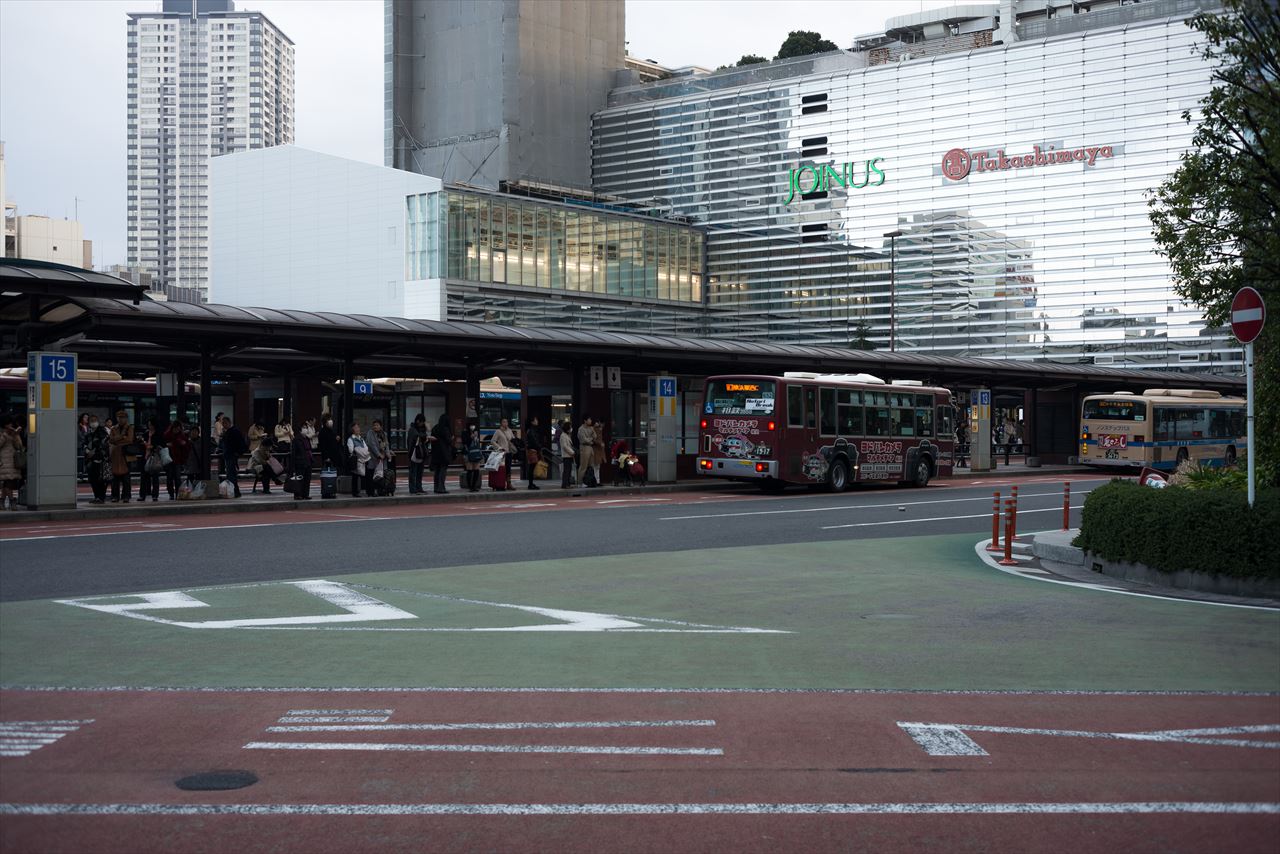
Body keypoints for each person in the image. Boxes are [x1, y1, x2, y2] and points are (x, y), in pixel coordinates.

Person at [108, 409, 137, 503]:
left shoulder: (130, 428)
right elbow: (111, 440)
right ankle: (115, 496)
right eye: (119, 417)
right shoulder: (113, 428)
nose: (120, 419)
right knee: (114, 477)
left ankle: (126, 496)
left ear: (126, 418)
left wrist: (118, 441)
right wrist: (122, 437)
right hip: (115, 455)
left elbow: (129, 440)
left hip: (126, 456)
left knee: (126, 478)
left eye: (123, 417)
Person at [0, 415, 24, 511]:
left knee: (8, 484)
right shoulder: (2, 433)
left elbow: (19, 446)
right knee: (7, 483)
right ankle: (11, 501)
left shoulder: (14, 433)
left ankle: (2, 502)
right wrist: (5, 435)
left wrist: (15, 435)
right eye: (8, 423)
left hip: (13, 462)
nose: (10, 425)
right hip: (3, 462)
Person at [220, 415, 248, 497]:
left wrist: (237, 452)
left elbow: (239, 444)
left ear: (229, 422)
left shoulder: (233, 431)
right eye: (223, 423)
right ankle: (235, 491)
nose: (224, 425)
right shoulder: (229, 431)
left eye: (225, 423)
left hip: (231, 455)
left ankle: (234, 491)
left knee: (231, 474)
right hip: (230, 454)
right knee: (231, 474)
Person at [138, 417, 164, 502]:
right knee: (144, 477)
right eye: (149, 425)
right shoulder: (146, 434)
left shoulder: (158, 434)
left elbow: (161, 444)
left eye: (151, 425)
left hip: (154, 456)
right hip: (145, 456)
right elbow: (141, 445)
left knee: (155, 477)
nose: (150, 426)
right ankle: (142, 495)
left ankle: (155, 495)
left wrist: (154, 446)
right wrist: (142, 443)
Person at [85, 419, 110, 504]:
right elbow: (84, 443)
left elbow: (104, 444)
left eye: (94, 421)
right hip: (91, 459)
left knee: (101, 479)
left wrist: (94, 451)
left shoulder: (101, 431)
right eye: (91, 421)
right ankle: (96, 497)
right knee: (93, 479)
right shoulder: (89, 433)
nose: (93, 423)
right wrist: (87, 450)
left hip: (100, 459)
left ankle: (101, 497)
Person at [164, 418, 191, 498]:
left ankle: (177, 493)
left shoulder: (181, 436)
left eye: (178, 429)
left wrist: (184, 444)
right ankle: (171, 493)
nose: (177, 430)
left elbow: (187, 446)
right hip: (169, 459)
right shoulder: (167, 435)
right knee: (170, 478)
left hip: (177, 459)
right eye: (176, 428)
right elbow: (162, 444)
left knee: (177, 477)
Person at [429, 413, 453, 494]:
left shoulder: (435, 428)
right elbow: (449, 441)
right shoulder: (445, 429)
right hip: (444, 453)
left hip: (436, 453)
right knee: (443, 471)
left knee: (437, 471)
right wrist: (451, 438)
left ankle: (436, 487)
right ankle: (441, 488)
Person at [346, 422, 373, 497]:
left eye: (358, 427)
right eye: (356, 427)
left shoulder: (361, 438)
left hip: (364, 459)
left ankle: (369, 492)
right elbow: (351, 450)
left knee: (367, 476)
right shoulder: (350, 439)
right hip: (356, 460)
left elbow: (366, 448)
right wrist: (360, 450)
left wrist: (360, 450)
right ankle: (355, 492)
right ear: (352, 430)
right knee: (355, 476)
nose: (358, 429)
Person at [290, 419, 315, 500]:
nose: (305, 429)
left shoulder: (307, 439)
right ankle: (298, 494)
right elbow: (293, 453)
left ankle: (305, 494)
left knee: (307, 479)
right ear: (300, 429)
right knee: (300, 479)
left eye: (306, 427)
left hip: (308, 461)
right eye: (304, 427)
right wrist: (293, 466)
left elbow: (309, 449)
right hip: (300, 462)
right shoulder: (296, 439)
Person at [491, 417, 517, 491]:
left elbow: (512, 439)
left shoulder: (509, 430)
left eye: (506, 422)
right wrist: (499, 447)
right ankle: (501, 484)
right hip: (501, 454)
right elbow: (492, 441)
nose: (505, 423)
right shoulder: (498, 431)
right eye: (504, 422)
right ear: (501, 423)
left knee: (508, 469)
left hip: (509, 452)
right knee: (501, 469)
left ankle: (509, 484)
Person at [406, 414, 428, 494]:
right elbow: (414, 438)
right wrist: (424, 436)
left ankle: (419, 487)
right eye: (422, 422)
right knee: (413, 472)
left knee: (419, 472)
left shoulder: (421, 429)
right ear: (418, 421)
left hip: (421, 453)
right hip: (414, 453)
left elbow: (423, 439)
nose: (422, 424)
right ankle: (413, 488)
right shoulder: (413, 429)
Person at [368, 419, 390, 493]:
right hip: (373, 458)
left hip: (383, 459)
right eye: (374, 425)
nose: (375, 427)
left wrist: (388, 454)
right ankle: (371, 491)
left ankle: (381, 491)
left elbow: (386, 445)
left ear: (381, 426)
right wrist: (379, 454)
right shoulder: (370, 433)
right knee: (372, 475)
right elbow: (372, 445)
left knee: (381, 475)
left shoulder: (384, 434)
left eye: (377, 425)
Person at [460, 418, 482, 492]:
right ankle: (470, 486)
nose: (472, 427)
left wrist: (476, 437)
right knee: (469, 469)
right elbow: (464, 442)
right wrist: (471, 437)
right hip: (468, 453)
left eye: (474, 425)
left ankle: (474, 486)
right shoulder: (464, 432)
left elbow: (477, 443)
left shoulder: (475, 432)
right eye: (471, 425)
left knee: (476, 470)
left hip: (475, 452)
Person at [524, 416, 545, 490]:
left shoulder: (530, 430)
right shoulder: (531, 430)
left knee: (532, 468)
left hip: (532, 450)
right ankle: (530, 484)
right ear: (532, 422)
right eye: (536, 420)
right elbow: (534, 441)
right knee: (532, 468)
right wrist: (540, 446)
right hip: (532, 451)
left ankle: (531, 483)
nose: (537, 421)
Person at [576, 416, 597, 487]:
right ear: (585, 420)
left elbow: (595, 436)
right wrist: (590, 439)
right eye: (589, 419)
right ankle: (580, 482)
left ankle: (588, 481)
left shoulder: (591, 428)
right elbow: (584, 440)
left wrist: (590, 438)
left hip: (590, 448)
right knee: (583, 466)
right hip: (584, 447)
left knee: (591, 466)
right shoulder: (581, 429)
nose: (590, 421)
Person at [559, 418, 576, 489]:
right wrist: (572, 452)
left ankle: (567, 484)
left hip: (569, 455)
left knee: (568, 470)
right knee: (566, 470)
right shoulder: (563, 436)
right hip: (566, 455)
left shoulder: (566, 435)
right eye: (570, 427)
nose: (571, 429)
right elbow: (565, 446)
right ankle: (565, 484)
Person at [592, 419, 607, 487]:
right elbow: (594, 439)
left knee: (597, 466)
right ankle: (596, 481)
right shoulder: (596, 429)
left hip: (599, 450)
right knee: (596, 466)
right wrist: (600, 443)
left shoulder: (599, 430)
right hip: (596, 449)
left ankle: (597, 481)